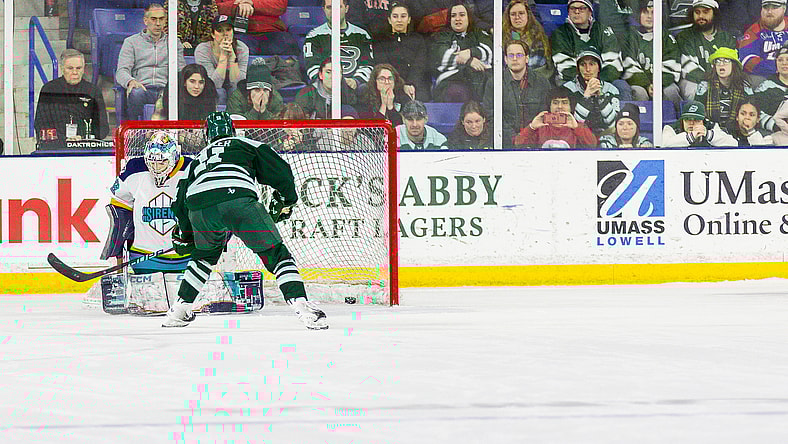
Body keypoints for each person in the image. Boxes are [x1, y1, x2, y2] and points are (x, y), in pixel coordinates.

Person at [165, 111, 328, 329]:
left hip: (200, 207)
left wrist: (185, 234)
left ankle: (179, 309)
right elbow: (282, 171)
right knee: (276, 254)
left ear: (207, 135)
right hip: (239, 199)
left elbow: (180, 200)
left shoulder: (198, 160)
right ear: (232, 130)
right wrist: (287, 199)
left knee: (203, 257)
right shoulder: (246, 143)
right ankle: (303, 307)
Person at [116, 3, 187, 120]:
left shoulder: (174, 42)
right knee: (136, 94)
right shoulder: (131, 42)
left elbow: (181, 70)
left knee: (179, 96)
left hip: (166, 89)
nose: (158, 24)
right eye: (153, 19)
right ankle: (136, 132)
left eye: (161, 19)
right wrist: (130, 81)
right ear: (145, 20)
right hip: (143, 88)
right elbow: (122, 71)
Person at [551, 0, 631, 101]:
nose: (577, 12)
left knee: (621, 86)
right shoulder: (560, 33)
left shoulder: (603, 31)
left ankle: (621, 116)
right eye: (573, 8)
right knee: (563, 86)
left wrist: (597, 82)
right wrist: (583, 82)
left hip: (603, 80)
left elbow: (613, 64)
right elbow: (565, 67)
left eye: (581, 8)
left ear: (590, 12)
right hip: (573, 81)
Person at [34, 49, 109, 150]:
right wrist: (63, 139)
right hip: (55, 147)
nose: (75, 72)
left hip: (85, 148)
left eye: (78, 68)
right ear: (62, 68)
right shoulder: (49, 89)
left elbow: (102, 127)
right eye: (70, 68)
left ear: (84, 69)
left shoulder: (93, 91)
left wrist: (82, 138)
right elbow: (40, 123)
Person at [483, 39, 551, 148]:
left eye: (519, 55)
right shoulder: (494, 82)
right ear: (505, 59)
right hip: (506, 142)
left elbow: (545, 114)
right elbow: (490, 115)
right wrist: (515, 139)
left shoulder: (542, 82)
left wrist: (527, 136)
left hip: (535, 142)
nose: (514, 59)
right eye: (511, 55)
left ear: (527, 58)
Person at [304, 0, 374, 94]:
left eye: (338, 7)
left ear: (346, 9)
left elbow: (367, 64)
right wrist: (328, 82)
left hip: (356, 89)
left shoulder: (362, 35)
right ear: (323, 10)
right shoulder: (313, 36)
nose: (334, 11)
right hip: (326, 89)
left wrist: (355, 81)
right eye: (329, 7)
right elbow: (311, 65)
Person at [620, 0, 683, 103]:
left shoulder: (666, 37)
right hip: (639, 83)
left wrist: (658, 84)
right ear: (638, 14)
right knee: (639, 93)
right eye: (645, 12)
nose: (649, 17)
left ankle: (677, 119)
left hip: (663, 83)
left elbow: (672, 65)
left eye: (653, 12)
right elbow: (628, 65)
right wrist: (647, 84)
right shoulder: (629, 36)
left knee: (671, 91)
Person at [431, 2, 493, 103]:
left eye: (462, 15)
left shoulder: (478, 33)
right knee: (458, 92)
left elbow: (488, 51)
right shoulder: (442, 35)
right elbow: (441, 56)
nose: (457, 19)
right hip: (451, 80)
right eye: (453, 16)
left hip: (479, 78)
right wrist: (469, 61)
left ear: (469, 18)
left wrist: (470, 52)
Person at [675, 0, 737, 100]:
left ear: (715, 14)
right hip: (695, 80)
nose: (701, 16)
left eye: (706, 12)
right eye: (697, 12)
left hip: (723, 79)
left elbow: (733, 65)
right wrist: (713, 80)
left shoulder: (727, 38)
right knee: (691, 88)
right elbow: (688, 68)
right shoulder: (685, 36)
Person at [372, 2, 431, 101]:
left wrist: (411, 84)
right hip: (390, 83)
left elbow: (420, 65)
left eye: (403, 16)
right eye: (395, 16)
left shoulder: (418, 39)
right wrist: (402, 85)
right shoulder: (381, 40)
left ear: (408, 20)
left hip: (415, 84)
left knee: (422, 97)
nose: (399, 20)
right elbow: (383, 65)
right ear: (390, 20)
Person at [513, 86, 597, 149]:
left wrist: (577, 128)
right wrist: (531, 127)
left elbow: (593, 145)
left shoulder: (576, 125)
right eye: (555, 103)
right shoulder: (541, 125)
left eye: (564, 103)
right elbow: (518, 144)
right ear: (549, 106)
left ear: (571, 106)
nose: (560, 106)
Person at [563, 47, 621, 137]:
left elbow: (614, 124)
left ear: (599, 68)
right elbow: (570, 125)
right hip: (577, 137)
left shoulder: (611, 90)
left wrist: (600, 97)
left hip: (605, 136)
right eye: (583, 64)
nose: (588, 69)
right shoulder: (567, 89)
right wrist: (586, 96)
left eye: (592, 64)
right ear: (578, 68)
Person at [693, 47, 756, 129]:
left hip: (738, 129)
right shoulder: (704, 85)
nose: (721, 64)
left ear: (733, 65)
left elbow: (751, 112)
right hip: (711, 129)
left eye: (726, 61)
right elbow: (698, 112)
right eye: (717, 61)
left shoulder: (744, 86)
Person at [194, 14, 250, 104]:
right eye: (220, 31)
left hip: (233, 86)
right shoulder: (202, 50)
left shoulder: (242, 48)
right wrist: (223, 57)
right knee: (219, 93)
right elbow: (214, 85)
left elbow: (238, 84)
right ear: (212, 34)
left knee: (235, 92)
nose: (225, 34)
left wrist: (232, 57)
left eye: (228, 30)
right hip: (212, 89)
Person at [214, 0, 298, 55]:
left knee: (288, 44)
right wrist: (236, 5)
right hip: (238, 32)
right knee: (234, 49)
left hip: (271, 31)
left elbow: (280, 6)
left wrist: (252, 3)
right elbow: (215, 7)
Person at [502, 0, 552, 79]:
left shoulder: (538, 36)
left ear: (528, 15)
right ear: (508, 17)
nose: (517, 17)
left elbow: (540, 67)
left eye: (521, 13)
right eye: (513, 14)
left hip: (536, 81)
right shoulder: (502, 37)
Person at [738, 0, 788, 78]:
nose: (769, 12)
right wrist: (780, 67)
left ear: (784, 9)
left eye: (774, 7)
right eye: (766, 7)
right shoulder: (753, 31)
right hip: (765, 77)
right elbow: (747, 59)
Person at [151, 64, 218, 120]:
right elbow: (155, 128)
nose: (197, 86)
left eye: (201, 82)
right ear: (184, 82)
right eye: (192, 81)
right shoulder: (168, 97)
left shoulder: (209, 95)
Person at [662, 100, 737, 146]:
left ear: (703, 121)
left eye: (696, 120)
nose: (691, 123)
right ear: (682, 119)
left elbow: (733, 143)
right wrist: (690, 137)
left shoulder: (711, 126)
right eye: (687, 119)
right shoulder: (671, 128)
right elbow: (664, 145)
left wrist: (708, 134)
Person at [753, 45, 788, 128]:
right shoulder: (766, 87)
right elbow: (755, 112)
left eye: (787, 59)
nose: (784, 63)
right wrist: (776, 126)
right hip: (775, 132)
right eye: (780, 60)